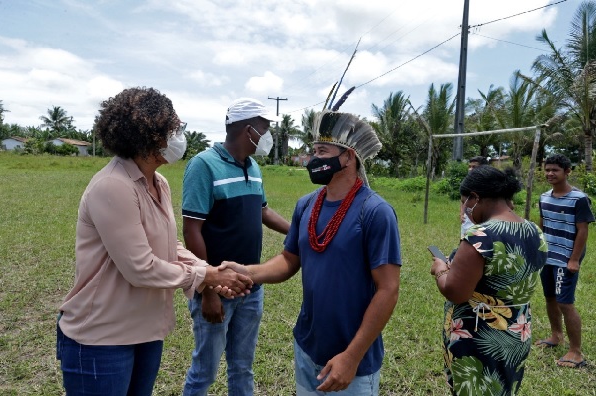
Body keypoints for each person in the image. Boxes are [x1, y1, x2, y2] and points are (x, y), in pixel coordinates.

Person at [56, 87, 252, 395]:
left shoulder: (158, 182)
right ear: (149, 135)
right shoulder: (113, 186)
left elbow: (167, 246)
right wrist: (208, 275)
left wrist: (206, 272)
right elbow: (141, 267)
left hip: (145, 331)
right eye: (174, 125)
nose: (181, 130)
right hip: (102, 339)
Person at [220, 110, 402, 395]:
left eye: (323, 151)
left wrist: (352, 356)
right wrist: (246, 271)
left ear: (348, 157)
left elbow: (388, 290)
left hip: (352, 359)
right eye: (313, 150)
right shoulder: (306, 205)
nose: (314, 159)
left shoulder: (376, 213)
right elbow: (288, 261)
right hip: (307, 346)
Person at [181, 98, 291, 395]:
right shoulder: (203, 165)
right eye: (265, 128)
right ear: (248, 130)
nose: (268, 136)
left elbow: (263, 211)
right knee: (204, 372)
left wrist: (298, 232)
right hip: (218, 289)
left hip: (251, 287)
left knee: (243, 367)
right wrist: (207, 290)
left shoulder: (253, 166)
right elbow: (192, 230)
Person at [430, 166, 547, 395]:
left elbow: (455, 292)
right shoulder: (534, 230)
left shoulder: (480, 235)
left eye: (465, 202)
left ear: (475, 197)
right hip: (516, 331)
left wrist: (441, 268)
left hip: (480, 337)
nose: (464, 211)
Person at [535, 154, 593, 368]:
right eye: (547, 169)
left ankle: (575, 352)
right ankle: (556, 336)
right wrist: (536, 247)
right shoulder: (543, 197)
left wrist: (574, 259)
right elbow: (543, 224)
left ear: (567, 172)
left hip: (565, 260)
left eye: (555, 170)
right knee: (550, 298)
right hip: (547, 257)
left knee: (565, 303)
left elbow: (583, 231)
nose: (550, 173)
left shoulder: (579, 199)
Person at [460, 156, 489, 237]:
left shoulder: (489, 184)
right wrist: (461, 213)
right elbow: (462, 199)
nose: (470, 169)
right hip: (467, 220)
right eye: (469, 166)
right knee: (464, 240)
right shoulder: (467, 183)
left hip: (481, 221)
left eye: (474, 167)